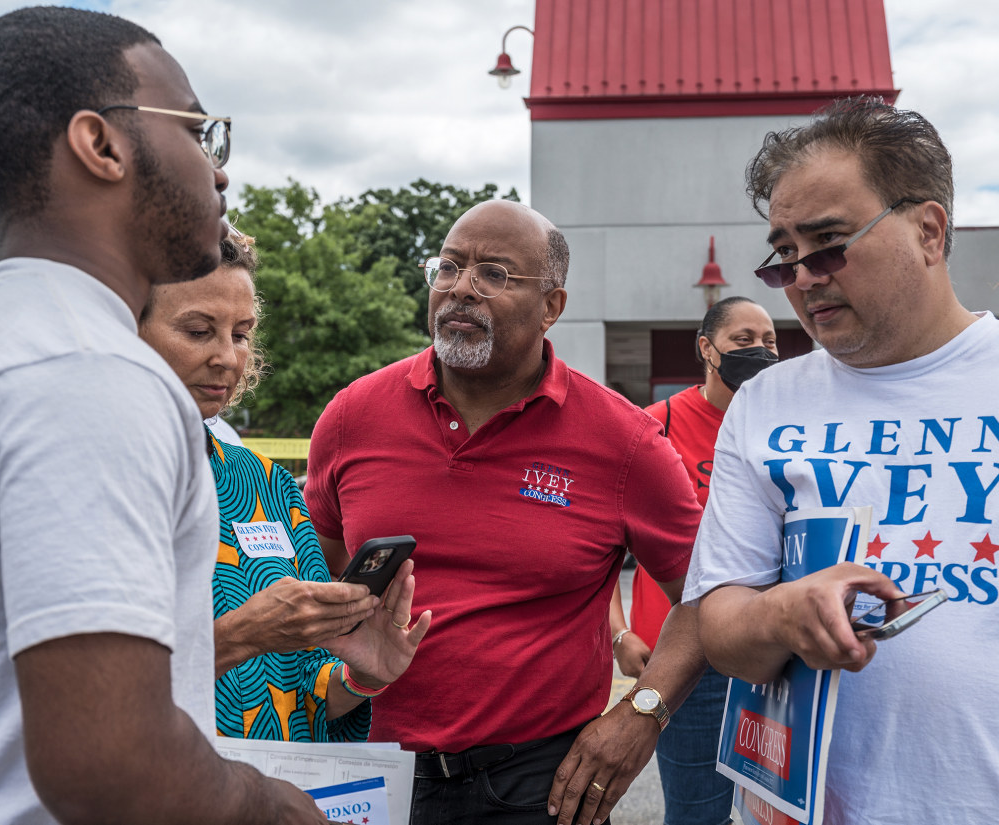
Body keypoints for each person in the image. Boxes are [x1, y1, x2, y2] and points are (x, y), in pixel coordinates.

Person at [685, 96, 999, 824]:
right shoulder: (766, 404)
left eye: (829, 242)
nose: (805, 274)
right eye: (784, 253)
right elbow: (720, 628)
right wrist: (784, 613)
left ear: (929, 230)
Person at [0, 8, 338, 823]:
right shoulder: (88, 373)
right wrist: (273, 806)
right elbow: (109, 759)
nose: (219, 174)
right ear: (100, 144)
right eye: (199, 132)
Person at [303, 198, 708, 825]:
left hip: (540, 785)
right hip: (367, 771)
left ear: (552, 307)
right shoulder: (352, 417)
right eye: (449, 267)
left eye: (494, 273)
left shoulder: (624, 442)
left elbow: (704, 596)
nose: (462, 289)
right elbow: (330, 570)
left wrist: (643, 714)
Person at [139, 230, 430, 743]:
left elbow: (309, 696)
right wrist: (239, 637)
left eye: (241, 333)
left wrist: (362, 676)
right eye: (199, 330)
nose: (227, 358)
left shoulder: (269, 485)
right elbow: (77, 694)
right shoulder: (95, 479)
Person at [609, 296, 778, 825]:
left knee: (772, 808)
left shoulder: (782, 427)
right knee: (698, 811)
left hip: (772, 652)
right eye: (743, 341)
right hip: (683, 660)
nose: (760, 351)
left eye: (769, 342)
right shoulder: (652, 428)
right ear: (707, 348)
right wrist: (618, 634)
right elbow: (600, 548)